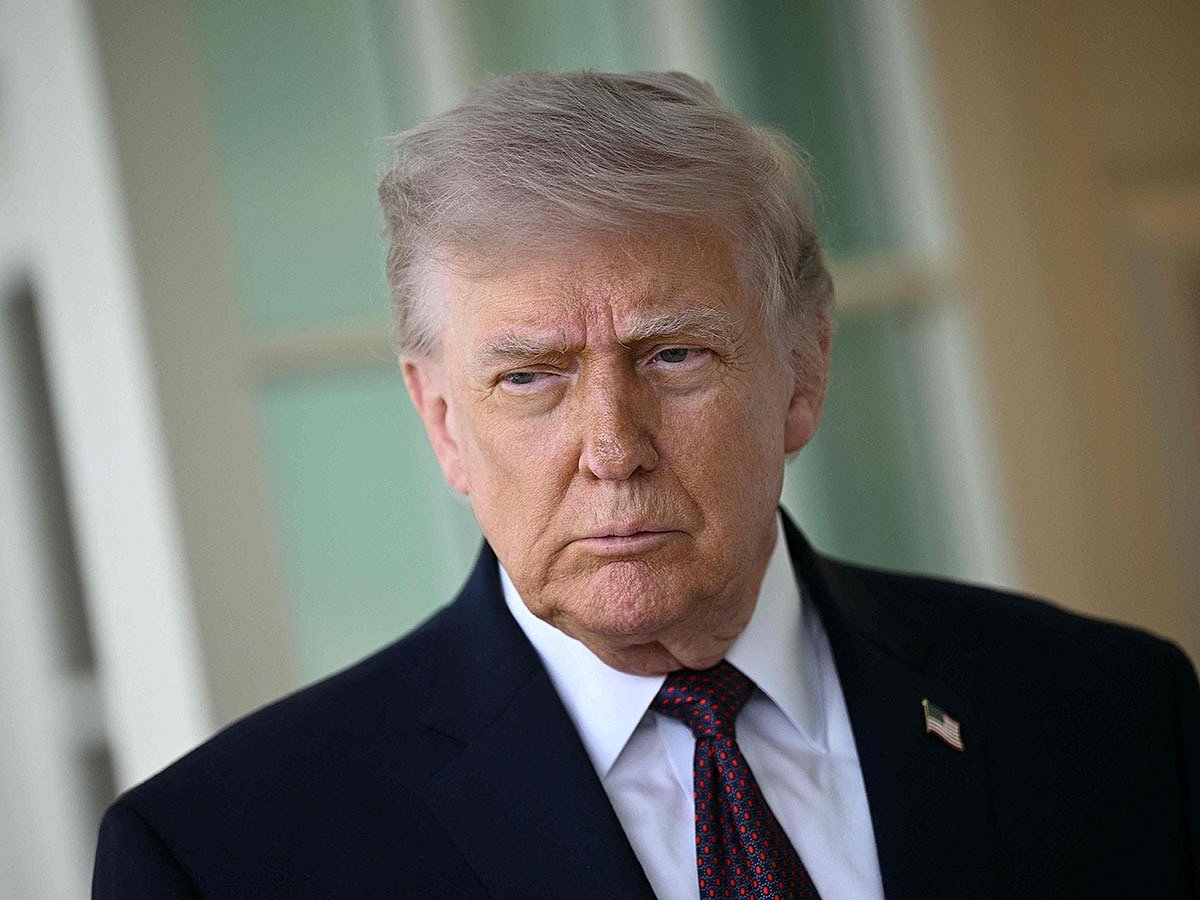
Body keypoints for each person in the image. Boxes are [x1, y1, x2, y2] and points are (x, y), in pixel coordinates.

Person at [93, 71, 1200, 900]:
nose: (611, 447)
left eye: (674, 356)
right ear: (443, 421)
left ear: (804, 371)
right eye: (530, 377)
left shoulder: (1115, 714)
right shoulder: (221, 858)